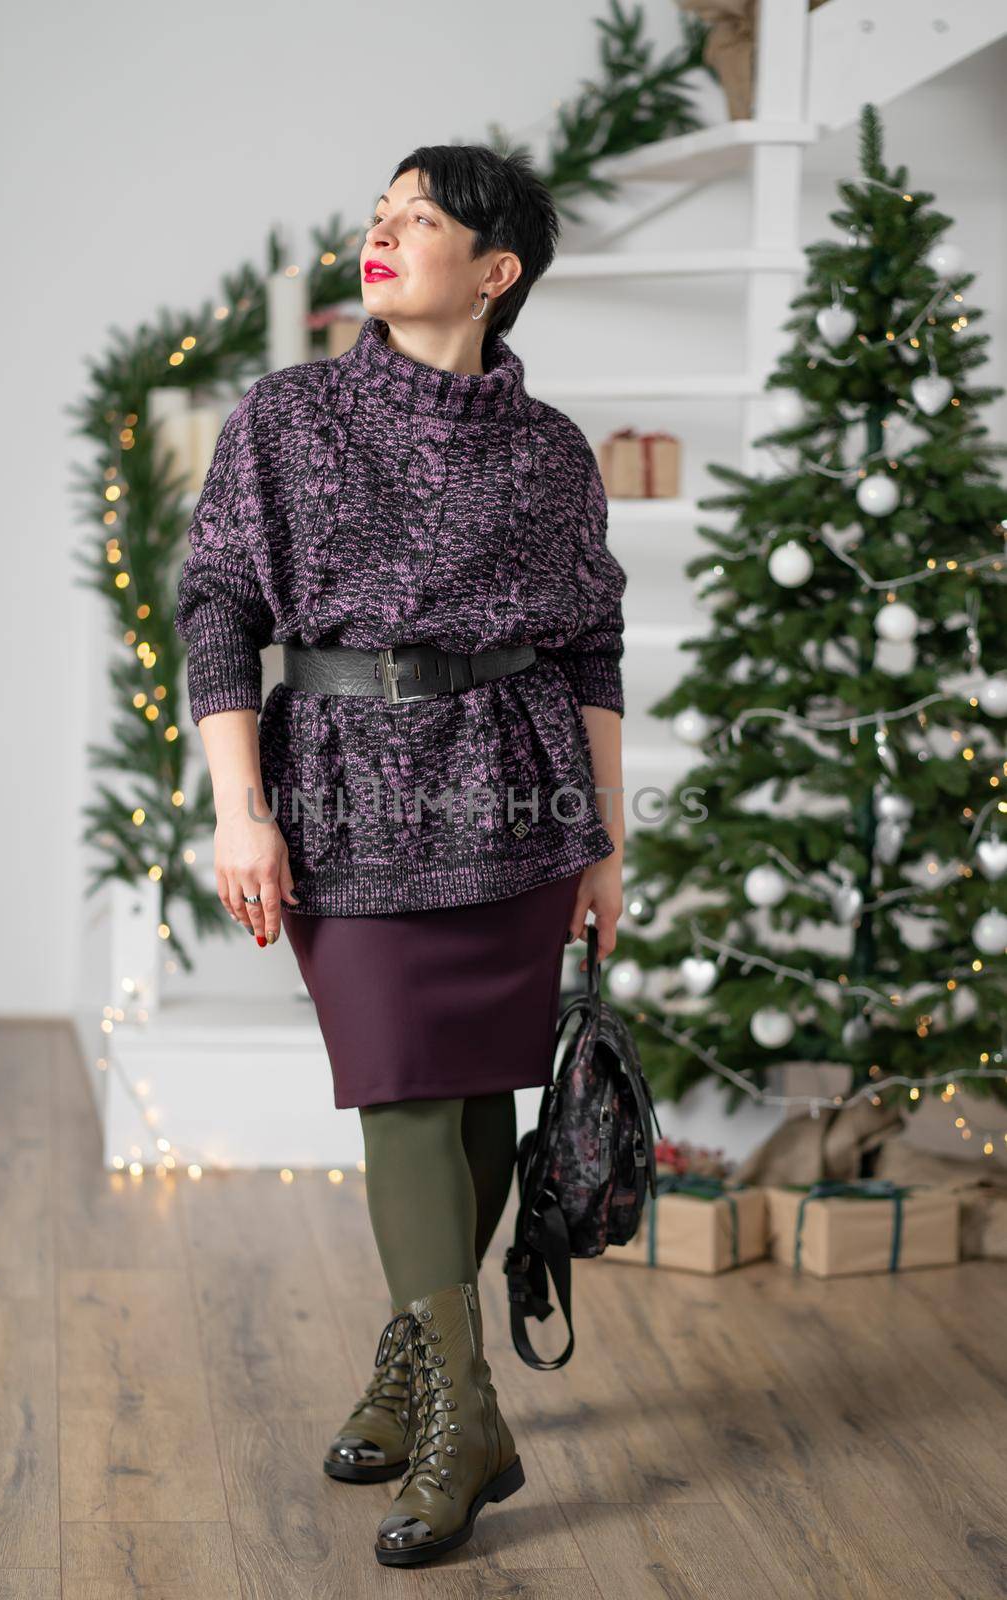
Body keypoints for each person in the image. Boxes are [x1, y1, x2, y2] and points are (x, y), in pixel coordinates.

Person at [173, 143, 627, 1566]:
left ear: (495, 270)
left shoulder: (552, 451)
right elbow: (215, 607)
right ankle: (469, 1415)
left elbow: (592, 644)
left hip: (517, 794)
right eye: (378, 216)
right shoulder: (287, 418)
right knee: (401, 1090)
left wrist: (608, 840)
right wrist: (241, 807)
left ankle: (410, 1371)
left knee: (476, 1089)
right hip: (340, 796)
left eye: (420, 218)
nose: (384, 236)